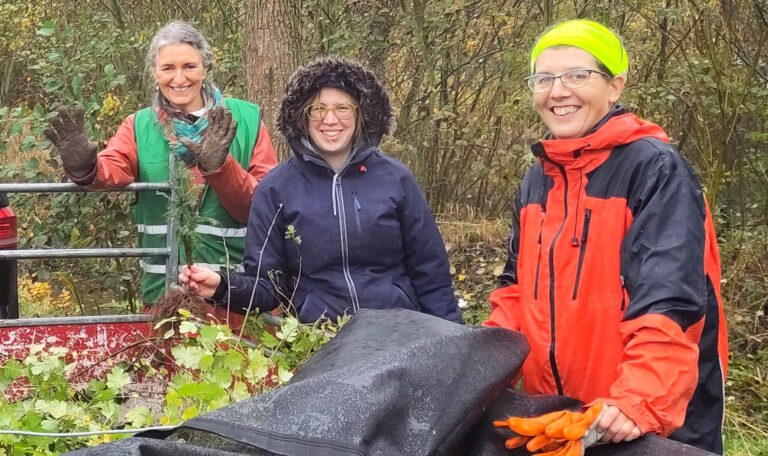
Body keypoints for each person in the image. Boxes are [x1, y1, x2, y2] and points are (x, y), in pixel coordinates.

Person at [484, 19, 728, 454]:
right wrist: (478, 373)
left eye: (577, 75)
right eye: (544, 79)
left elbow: (670, 304)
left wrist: (635, 401)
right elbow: (514, 294)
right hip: (559, 420)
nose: (558, 91)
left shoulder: (654, 169)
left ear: (614, 87)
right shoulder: (537, 180)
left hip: (647, 423)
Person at [179, 57, 462, 324]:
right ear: (303, 115)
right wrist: (222, 286)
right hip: (318, 341)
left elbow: (432, 275)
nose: (330, 120)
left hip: (396, 333)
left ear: (360, 113)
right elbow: (268, 287)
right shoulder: (276, 189)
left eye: (342, 108)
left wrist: (454, 342)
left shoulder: (396, 179)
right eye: (318, 109)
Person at [44, 21, 278, 307]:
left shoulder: (247, 121)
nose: (179, 78)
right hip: (163, 299)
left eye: (189, 66)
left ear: (205, 68)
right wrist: (83, 166)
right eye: (168, 68)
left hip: (234, 295)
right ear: (155, 73)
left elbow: (263, 208)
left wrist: (221, 168)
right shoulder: (140, 125)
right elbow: (112, 169)